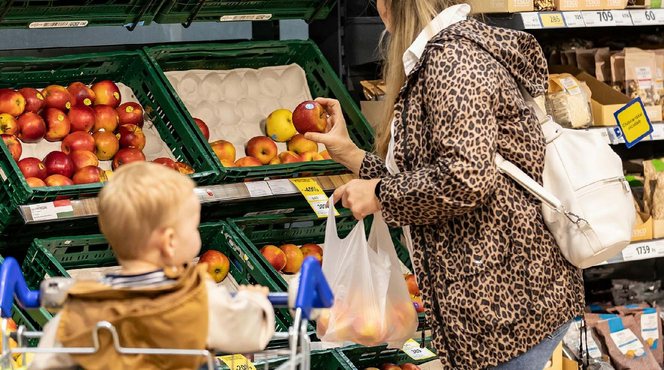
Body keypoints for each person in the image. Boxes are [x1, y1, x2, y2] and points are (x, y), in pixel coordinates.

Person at [305, 1, 583, 369]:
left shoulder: (451, 61)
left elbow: (466, 178)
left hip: (506, 307)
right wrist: (352, 156)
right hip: (501, 299)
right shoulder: (442, 56)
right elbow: (434, 178)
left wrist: (377, 194)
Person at [29, 162, 275, 370]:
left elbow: (46, 360)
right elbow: (250, 333)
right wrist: (255, 301)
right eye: (193, 228)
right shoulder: (196, 297)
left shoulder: (83, 306)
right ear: (169, 242)